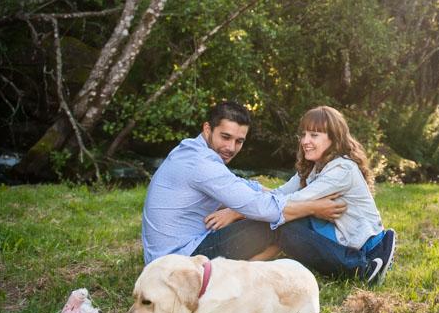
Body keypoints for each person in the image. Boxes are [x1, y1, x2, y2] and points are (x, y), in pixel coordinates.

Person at [206, 106, 396, 285]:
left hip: (364, 247)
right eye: (303, 134)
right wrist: (237, 198)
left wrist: (238, 212)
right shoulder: (314, 168)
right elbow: (279, 194)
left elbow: (290, 202)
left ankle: (362, 269)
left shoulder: (342, 169)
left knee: (285, 222)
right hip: (339, 236)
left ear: (334, 138)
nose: (305, 141)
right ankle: (244, 268)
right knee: (281, 219)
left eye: (314, 135)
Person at [140, 100, 346, 265]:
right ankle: (351, 264)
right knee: (277, 225)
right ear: (207, 129)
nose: (231, 147)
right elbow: (262, 209)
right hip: (180, 262)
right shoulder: (202, 164)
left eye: (239, 141)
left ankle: (245, 270)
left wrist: (274, 195)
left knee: (260, 216)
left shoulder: (192, 150)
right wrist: (313, 208)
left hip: (166, 258)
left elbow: (239, 186)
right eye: (225, 137)